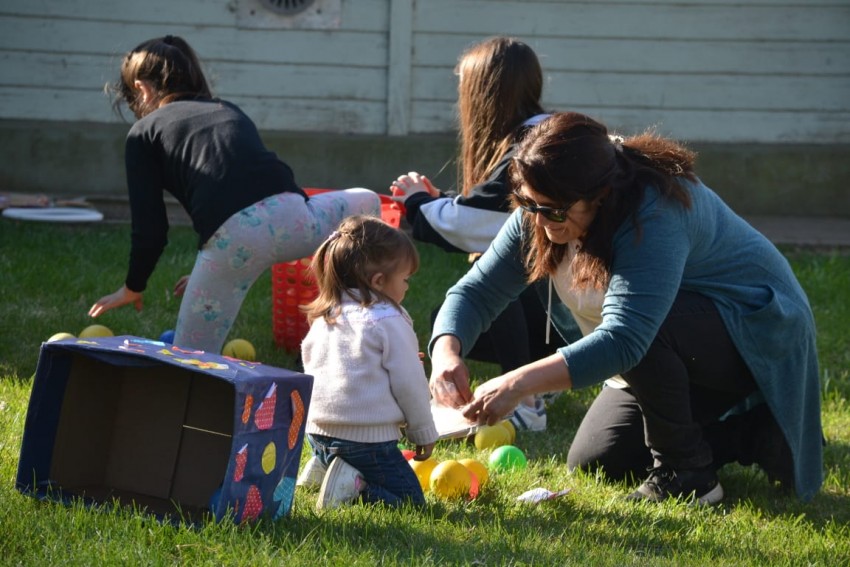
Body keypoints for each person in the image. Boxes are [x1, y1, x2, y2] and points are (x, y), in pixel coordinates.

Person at [428, 111, 823, 504]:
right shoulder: (544, 203)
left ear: (601, 194)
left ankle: (688, 474)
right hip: (676, 345)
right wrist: (446, 351)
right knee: (597, 461)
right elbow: (476, 291)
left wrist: (518, 383)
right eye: (529, 205)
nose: (543, 222)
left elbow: (625, 338)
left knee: (644, 332)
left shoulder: (654, 213)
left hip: (756, 333)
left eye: (556, 210)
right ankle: (754, 434)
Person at [87, 35, 380, 353]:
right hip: (297, 219)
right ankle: (365, 305)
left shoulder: (143, 133)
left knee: (191, 356)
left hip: (233, 245)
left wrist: (133, 286)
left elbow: (151, 230)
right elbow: (255, 201)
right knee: (368, 200)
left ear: (142, 88)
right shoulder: (226, 109)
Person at [389, 36, 576, 432]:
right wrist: (445, 200)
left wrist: (417, 203)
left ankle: (525, 401)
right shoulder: (546, 131)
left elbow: (477, 227)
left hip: (577, 310)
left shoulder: (529, 146)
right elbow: (495, 210)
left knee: (492, 275)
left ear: (484, 93)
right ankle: (543, 380)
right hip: (576, 304)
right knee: (450, 317)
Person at [299, 215, 439, 510]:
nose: (407, 287)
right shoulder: (388, 319)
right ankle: (353, 486)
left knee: (338, 453)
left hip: (317, 433)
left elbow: (313, 366)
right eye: (405, 279)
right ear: (378, 281)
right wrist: (423, 431)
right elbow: (410, 384)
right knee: (411, 503)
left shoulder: (327, 314)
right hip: (365, 443)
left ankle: (324, 466)